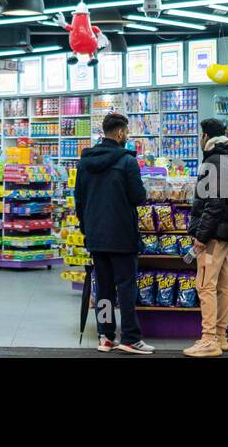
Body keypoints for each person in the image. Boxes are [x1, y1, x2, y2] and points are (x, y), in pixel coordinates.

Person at [75, 112, 154, 354]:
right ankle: (130, 337)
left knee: (105, 289)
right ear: (120, 133)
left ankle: (106, 336)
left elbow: (79, 200)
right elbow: (138, 197)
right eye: (127, 133)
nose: (127, 137)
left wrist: (87, 228)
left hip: (96, 236)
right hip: (122, 235)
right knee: (126, 288)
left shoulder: (85, 162)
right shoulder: (127, 161)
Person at [185, 118, 228, 358]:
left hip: (212, 235)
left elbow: (214, 203)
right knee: (222, 284)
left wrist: (201, 235)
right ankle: (220, 335)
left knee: (205, 284)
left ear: (205, 136)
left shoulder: (214, 161)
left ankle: (208, 339)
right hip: (223, 233)